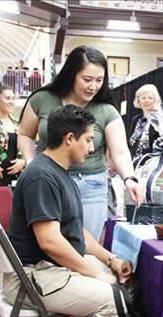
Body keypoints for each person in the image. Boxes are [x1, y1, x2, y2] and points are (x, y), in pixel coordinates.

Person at [4, 105, 132, 317]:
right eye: (89, 140)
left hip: (48, 269)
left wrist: (110, 259)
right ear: (70, 138)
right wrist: (96, 275)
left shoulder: (58, 172)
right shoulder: (42, 177)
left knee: (128, 282)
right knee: (117, 302)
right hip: (33, 277)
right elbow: (50, 242)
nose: (92, 148)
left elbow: (76, 232)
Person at [18, 45, 144, 243]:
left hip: (90, 184)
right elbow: (25, 134)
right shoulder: (42, 99)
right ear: (71, 75)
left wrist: (130, 178)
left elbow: (119, 151)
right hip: (47, 181)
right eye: (87, 79)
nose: (93, 86)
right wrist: (30, 161)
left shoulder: (106, 110)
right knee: (48, 244)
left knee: (83, 246)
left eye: (99, 80)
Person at [128, 84, 162, 161]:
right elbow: (129, 143)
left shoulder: (159, 119)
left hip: (152, 164)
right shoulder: (136, 119)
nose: (146, 101)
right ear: (138, 100)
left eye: (150, 98)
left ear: (155, 100)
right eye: (143, 98)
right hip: (134, 163)